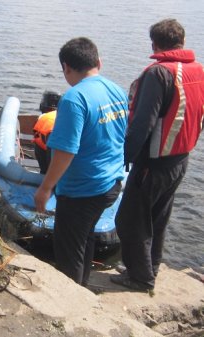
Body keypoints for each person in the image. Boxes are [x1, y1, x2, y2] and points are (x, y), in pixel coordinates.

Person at [110, 19, 204, 292]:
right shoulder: (197, 70)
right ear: (182, 42)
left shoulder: (158, 74)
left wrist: (126, 156)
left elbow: (143, 123)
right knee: (158, 216)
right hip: (180, 159)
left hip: (154, 162)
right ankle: (151, 265)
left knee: (129, 220)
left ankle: (140, 278)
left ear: (154, 44)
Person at [34, 37, 128, 286]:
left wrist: (45, 189)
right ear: (99, 62)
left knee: (68, 254)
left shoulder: (74, 99)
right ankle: (83, 285)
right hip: (110, 185)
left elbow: (65, 152)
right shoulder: (116, 90)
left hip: (81, 191)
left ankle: (73, 302)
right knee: (85, 239)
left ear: (66, 67)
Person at [32, 90, 62, 174]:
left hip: (53, 148)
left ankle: (44, 174)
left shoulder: (42, 118)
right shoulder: (63, 114)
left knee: (38, 142)